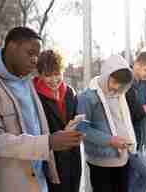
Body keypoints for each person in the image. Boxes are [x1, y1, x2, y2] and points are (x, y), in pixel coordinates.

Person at [0, 27, 84, 192]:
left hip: (38, 180)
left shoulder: (26, 82)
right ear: (12, 47)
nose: (35, 60)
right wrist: (48, 142)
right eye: (30, 53)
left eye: (37, 55)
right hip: (10, 184)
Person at [76, 55, 137, 192]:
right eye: (114, 82)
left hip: (123, 158)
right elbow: (82, 129)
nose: (117, 87)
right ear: (106, 75)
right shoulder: (87, 97)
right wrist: (110, 140)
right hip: (101, 162)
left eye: (121, 84)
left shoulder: (120, 95)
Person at [33, 49, 83, 192]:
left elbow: (75, 117)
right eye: (48, 75)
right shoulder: (34, 95)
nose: (54, 80)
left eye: (57, 74)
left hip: (72, 154)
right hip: (51, 157)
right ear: (40, 74)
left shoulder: (70, 92)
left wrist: (76, 125)